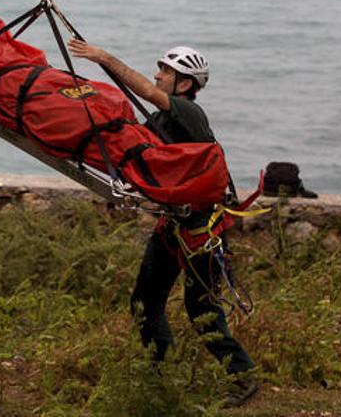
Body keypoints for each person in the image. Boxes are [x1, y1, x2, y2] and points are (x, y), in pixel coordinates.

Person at [68, 39, 259, 407]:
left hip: (202, 231)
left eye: (166, 71)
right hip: (172, 226)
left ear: (185, 83)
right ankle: (160, 373)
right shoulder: (158, 121)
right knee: (145, 301)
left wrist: (105, 58)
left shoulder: (189, 113)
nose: (158, 75)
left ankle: (242, 376)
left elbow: (144, 90)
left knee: (201, 309)